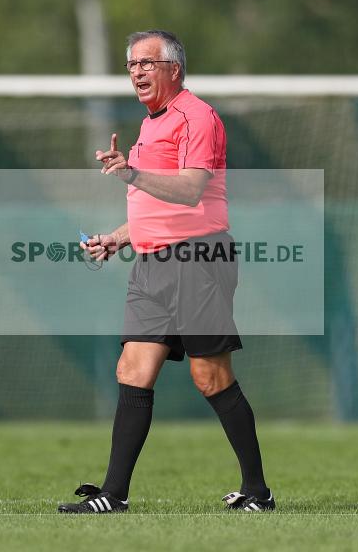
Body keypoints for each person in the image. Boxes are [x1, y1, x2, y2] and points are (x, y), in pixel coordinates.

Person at [58, 30, 274, 514]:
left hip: (198, 259)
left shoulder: (198, 117)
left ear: (174, 68)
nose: (136, 71)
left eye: (146, 62)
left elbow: (192, 191)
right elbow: (155, 210)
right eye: (131, 63)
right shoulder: (149, 124)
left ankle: (258, 491)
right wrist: (116, 238)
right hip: (152, 263)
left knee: (210, 377)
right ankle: (113, 495)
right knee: (132, 370)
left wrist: (130, 173)